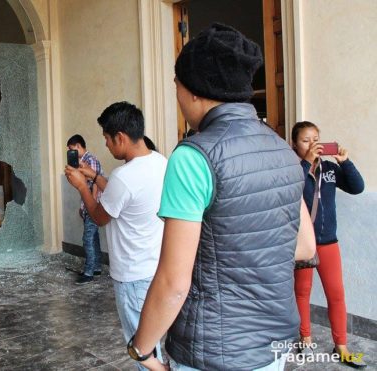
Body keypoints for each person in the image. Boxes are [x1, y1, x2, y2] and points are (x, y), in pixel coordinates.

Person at [130, 23, 316, 371]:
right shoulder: (283, 151)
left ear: (196, 91)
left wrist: (140, 349)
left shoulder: (193, 157)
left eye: (177, 88)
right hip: (272, 347)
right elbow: (305, 247)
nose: (178, 97)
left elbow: (173, 282)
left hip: (213, 351)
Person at [65, 102, 167, 370]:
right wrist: (96, 176)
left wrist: (81, 187)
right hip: (157, 266)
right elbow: (123, 196)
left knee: (142, 349)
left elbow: (99, 216)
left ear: (120, 137)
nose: (107, 146)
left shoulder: (124, 176)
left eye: (108, 139)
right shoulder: (160, 162)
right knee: (156, 341)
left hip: (133, 276)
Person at [291, 121, 366, 368]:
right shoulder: (292, 169)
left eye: (316, 138)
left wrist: (346, 162)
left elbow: (357, 187)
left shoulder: (330, 169)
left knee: (336, 294)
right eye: (305, 140)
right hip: (303, 243)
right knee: (302, 292)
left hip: (328, 241)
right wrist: (305, 164)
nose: (312, 144)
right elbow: (291, 191)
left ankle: (341, 346)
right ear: (294, 144)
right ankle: (306, 339)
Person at [66, 134, 104, 284]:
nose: (70, 153)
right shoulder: (82, 162)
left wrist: (91, 206)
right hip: (88, 205)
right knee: (94, 238)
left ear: (78, 146)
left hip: (93, 205)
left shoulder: (91, 161)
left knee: (87, 239)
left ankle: (88, 273)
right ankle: (97, 267)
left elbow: (94, 184)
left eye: (71, 149)